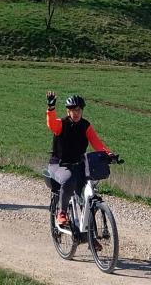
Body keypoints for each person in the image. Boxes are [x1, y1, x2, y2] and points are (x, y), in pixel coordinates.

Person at [45, 92, 112, 228]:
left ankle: (91, 236)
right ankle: (62, 213)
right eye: (72, 110)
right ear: (68, 111)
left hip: (77, 164)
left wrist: (109, 155)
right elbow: (52, 124)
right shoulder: (61, 124)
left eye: (78, 110)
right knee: (69, 179)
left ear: (82, 110)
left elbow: (97, 143)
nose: (76, 113)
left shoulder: (85, 126)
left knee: (87, 196)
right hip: (59, 164)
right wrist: (51, 109)